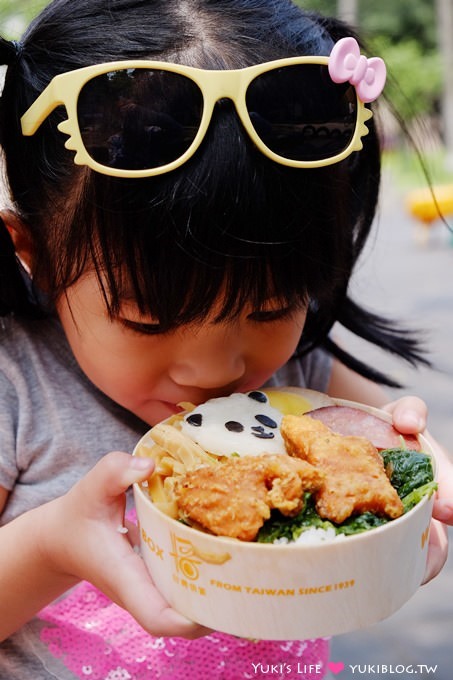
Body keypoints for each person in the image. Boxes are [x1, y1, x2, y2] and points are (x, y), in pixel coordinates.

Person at [0, 1, 451, 678]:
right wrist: (48, 549)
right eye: (149, 319)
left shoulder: (302, 380)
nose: (219, 368)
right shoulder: (17, 392)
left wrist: (418, 483)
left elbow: (397, 438)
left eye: (271, 305)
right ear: (32, 250)